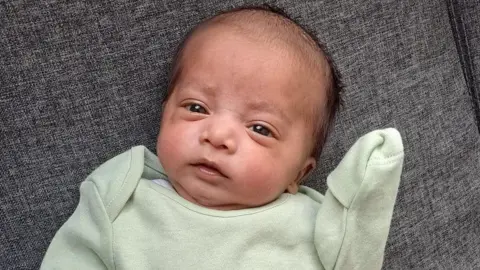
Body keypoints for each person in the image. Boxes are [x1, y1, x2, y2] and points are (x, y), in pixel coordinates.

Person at [41, 5, 404, 270]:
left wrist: (367, 197)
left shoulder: (315, 224)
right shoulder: (123, 191)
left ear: (299, 174)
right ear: (164, 113)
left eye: (260, 128)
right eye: (196, 108)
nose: (216, 136)